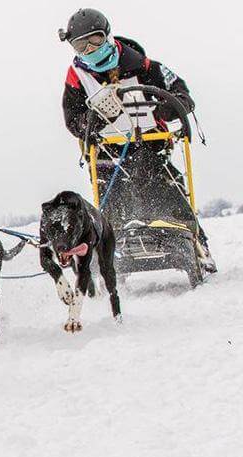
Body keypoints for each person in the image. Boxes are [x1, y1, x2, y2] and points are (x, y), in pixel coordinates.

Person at [58, 8, 215, 272]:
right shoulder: (77, 78)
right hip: (106, 152)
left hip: (151, 144)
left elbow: (180, 91)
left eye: (94, 41)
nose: (89, 49)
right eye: (81, 45)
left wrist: (172, 106)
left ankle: (197, 244)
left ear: (106, 36)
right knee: (112, 193)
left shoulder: (142, 65)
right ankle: (110, 248)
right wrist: (89, 122)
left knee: (158, 178)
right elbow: (72, 119)